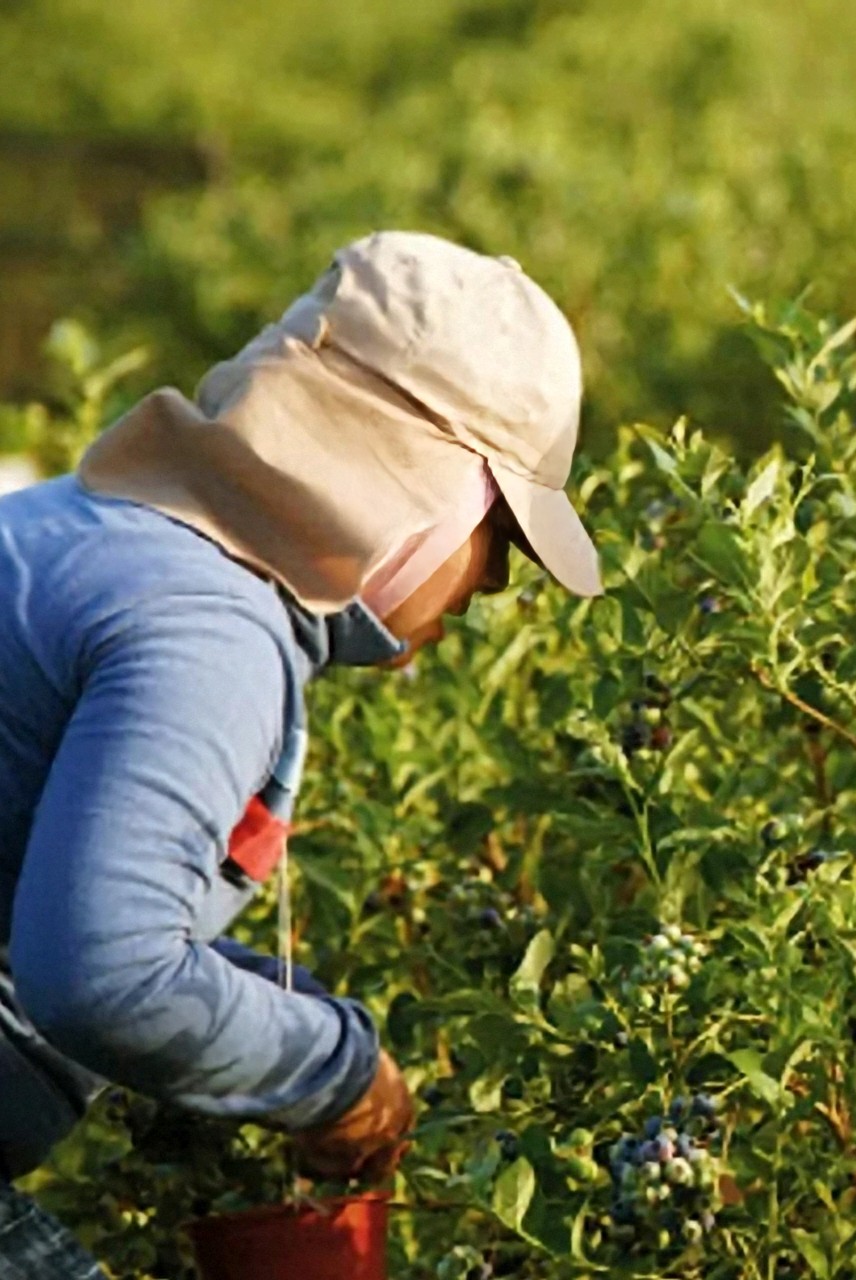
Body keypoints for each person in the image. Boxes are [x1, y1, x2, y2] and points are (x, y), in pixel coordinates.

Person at [0, 231, 603, 1275]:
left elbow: (57, 906)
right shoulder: (211, 630)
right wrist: (337, 1071)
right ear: (425, 484)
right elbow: (103, 975)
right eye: (499, 532)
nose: (496, 583)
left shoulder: (84, 529)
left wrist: (283, 1015)